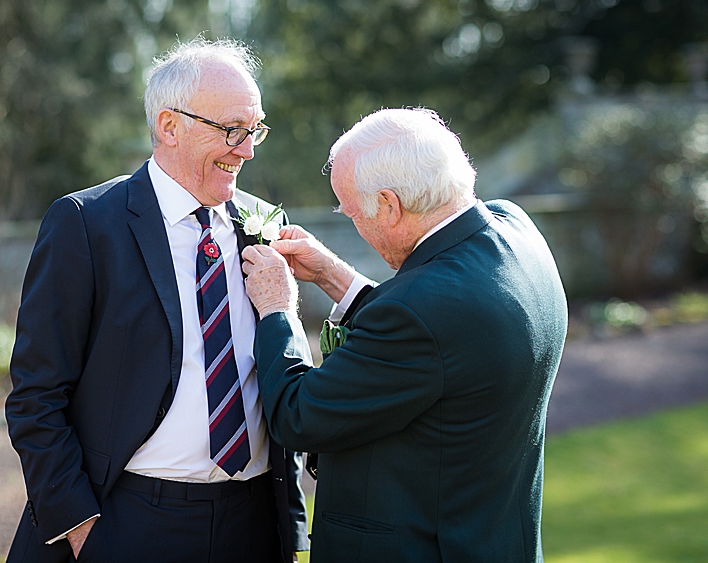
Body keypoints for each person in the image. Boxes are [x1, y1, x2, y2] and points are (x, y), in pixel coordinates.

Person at [5, 37, 308, 563]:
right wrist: (81, 527)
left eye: (255, 128)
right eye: (233, 130)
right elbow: (36, 393)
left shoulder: (264, 225)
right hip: (130, 520)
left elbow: (282, 373)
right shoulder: (86, 224)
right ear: (170, 126)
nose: (249, 148)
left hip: (255, 520)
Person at [241, 107, 568, 562]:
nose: (353, 222)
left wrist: (277, 308)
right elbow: (441, 345)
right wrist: (337, 277)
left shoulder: (421, 311)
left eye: (352, 212)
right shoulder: (515, 230)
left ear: (390, 206)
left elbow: (299, 414)